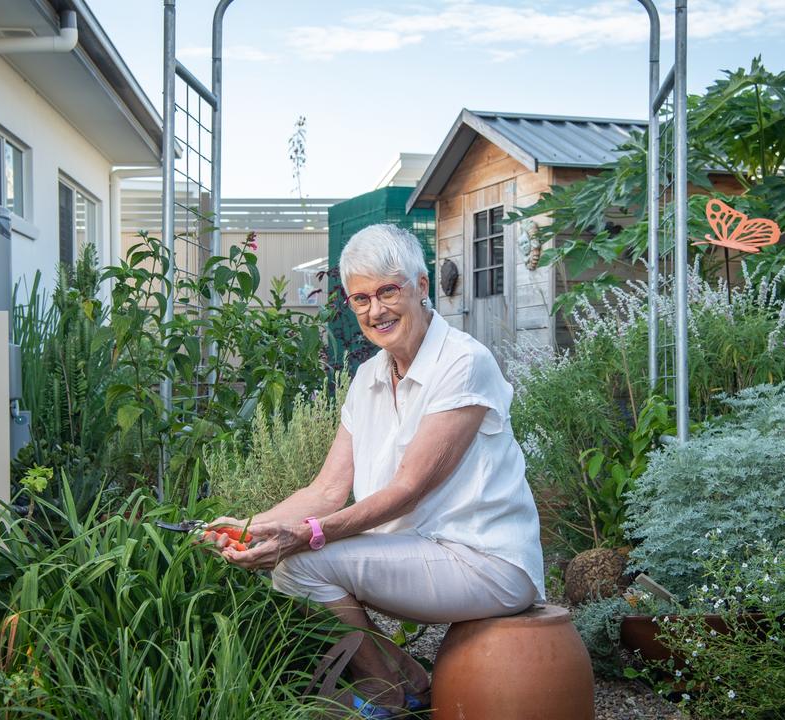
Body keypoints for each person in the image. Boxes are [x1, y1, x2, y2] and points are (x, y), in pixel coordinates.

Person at [203, 223, 545, 718]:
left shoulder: (463, 362)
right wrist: (246, 528)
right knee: (294, 559)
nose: (376, 310)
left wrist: (308, 535)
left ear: (422, 287)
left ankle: (388, 695)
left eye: (388, 291)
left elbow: (407, 489)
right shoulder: (367, 378)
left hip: (485, 561)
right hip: (418, 555)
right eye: (360, 299)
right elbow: (326, 490)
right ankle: (407, 680)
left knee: (300, 563)